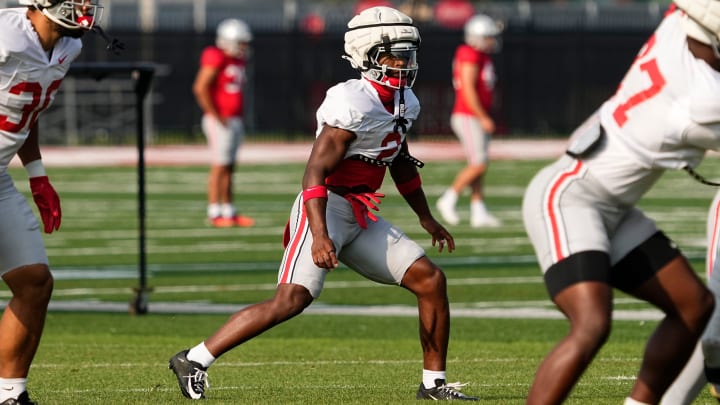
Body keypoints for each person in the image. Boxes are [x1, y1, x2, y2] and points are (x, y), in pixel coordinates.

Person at [169, 6, 477, 401]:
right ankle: (194, 358)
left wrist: (427, 217)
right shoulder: (353, 101)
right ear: (368, 56)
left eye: (408, 54)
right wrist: (318, 235)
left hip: (359, 212)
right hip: (325, 207)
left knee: (430, 281)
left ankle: (433, 385)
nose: (405, 63)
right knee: (292, 299)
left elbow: (400, 161)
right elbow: (313, 173)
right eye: (395, 54)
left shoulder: (405, 101)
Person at [521, 2, 720, 404]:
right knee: (591, 324)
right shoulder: (701, 99)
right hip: (571, 196)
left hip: (612, 206)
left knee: (694, 306)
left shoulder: (673, 31)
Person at [0, 0, 103, 403]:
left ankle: (10, 394)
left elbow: (28, 109)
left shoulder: (68, 47)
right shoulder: (7, 32)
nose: (84, 7)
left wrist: (38, 176)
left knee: (34, 282)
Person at [436, 14, 503, 228]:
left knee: (478, 162)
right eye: (489, 36)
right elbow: (467, 89)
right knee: (479, 164)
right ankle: (448, 198)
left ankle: (478, 210)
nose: (492, 40)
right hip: (468, 115)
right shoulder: (470, 54)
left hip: (473, 115)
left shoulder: (481, 56)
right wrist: (482, 116)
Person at [193, 18, 255, 228]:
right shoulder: (216, 56)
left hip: (233, 118)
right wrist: (216, 115)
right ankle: (214, 212)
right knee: (219, 167)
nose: (244, 46)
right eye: (241, 42)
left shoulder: (236, 60)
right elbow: (200, 87)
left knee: (229, 167)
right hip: (221, 119)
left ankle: (228, 211)